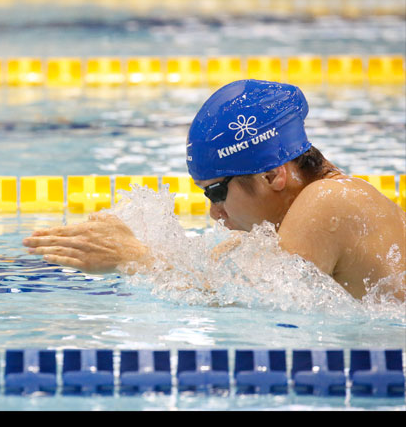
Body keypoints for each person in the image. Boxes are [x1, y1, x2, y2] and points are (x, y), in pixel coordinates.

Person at [23, 79, 406, 301]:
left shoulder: (327, 201)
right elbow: (224, 279)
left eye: (216, 192)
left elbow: (260, 301)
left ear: (273, 175)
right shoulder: (324, 207)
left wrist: (133, 257)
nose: (214, 213)